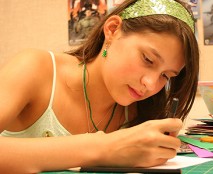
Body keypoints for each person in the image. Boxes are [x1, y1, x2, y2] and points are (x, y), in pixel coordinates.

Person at [0, 0, 199, 173]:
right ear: (112, 30)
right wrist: (105, 148)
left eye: (166, 76)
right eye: (147, 59)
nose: (150, 84)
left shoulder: (140, 112)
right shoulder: (35, 68)